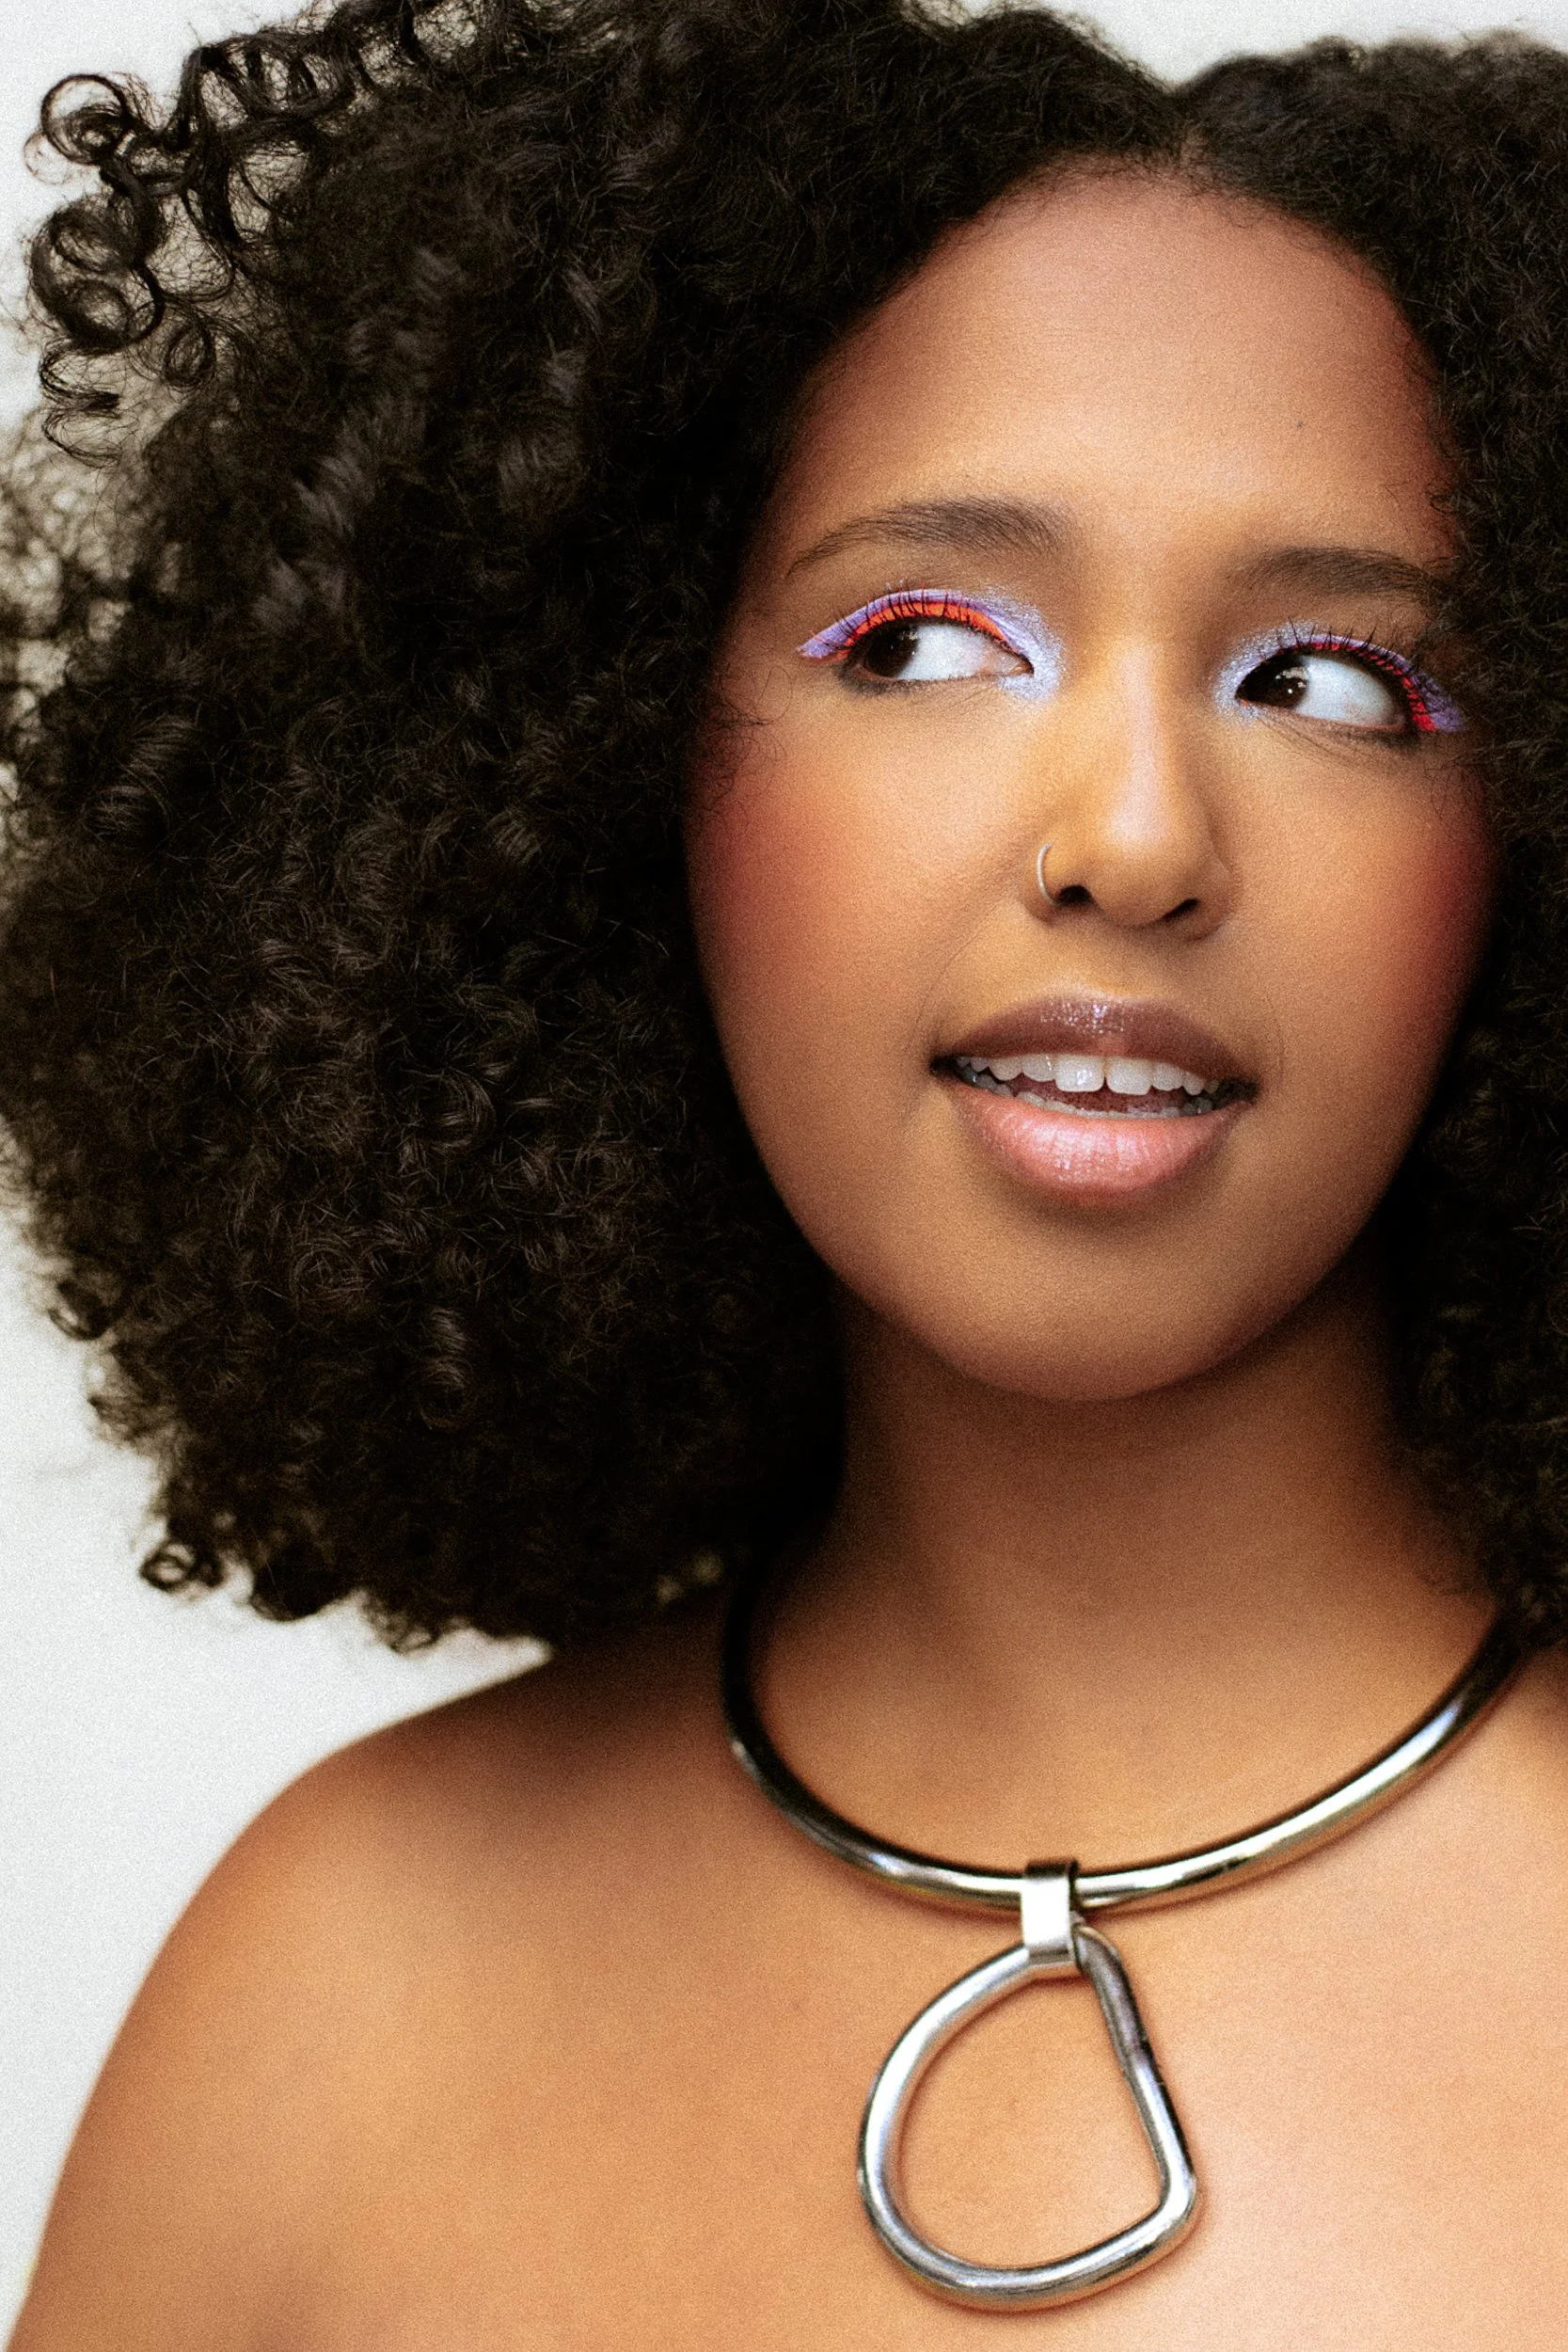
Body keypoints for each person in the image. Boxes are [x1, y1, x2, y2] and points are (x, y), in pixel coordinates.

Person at [8, 0, 1568, 2340]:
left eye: (1335, 685)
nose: (1133, 837)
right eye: (925, 638)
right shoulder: (330, 1992)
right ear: (606, 751)